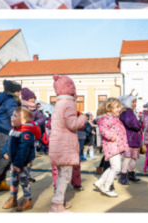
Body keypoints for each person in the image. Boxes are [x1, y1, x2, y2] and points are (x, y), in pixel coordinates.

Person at [47, 74, 86, 213]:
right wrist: (82, 117)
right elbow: (72, 124)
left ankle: (60, 199)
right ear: (70, 88)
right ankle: (57, 204)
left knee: (62, 174)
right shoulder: (69, 104)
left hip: (58, 144)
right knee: (66, 175)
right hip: (66, 145)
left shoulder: (58, 104)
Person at [3, 107, 41, 211]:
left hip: (23, 162)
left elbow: (23, 150)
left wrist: (18, 164)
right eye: (12, 115)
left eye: (15, 116)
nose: (11, 117)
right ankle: (13, 198)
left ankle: (27, 200)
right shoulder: (14, 129)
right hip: (15, 161)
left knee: (24, 180)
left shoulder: (26, 133)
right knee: (13, 180)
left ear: (23, 120)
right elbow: (8, 142)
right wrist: (5, 151)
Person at [92, 98, 128, 198]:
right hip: (112, 145)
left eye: (119, 107)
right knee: (116, 168)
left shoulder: (113, 117)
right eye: (117, 107)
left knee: (114, 167)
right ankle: (106, 187)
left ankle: (101, 182)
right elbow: (103, 129)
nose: (119, 109)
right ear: (109, 107)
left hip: (116, 145)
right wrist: (110, 137)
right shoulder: (107, 118)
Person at [117, 94, 143, 185]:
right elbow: (129, 122)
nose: (134, 104)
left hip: (134, 138)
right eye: (133, 102)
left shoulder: (131, 112)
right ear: (128, 102)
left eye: (135, 102)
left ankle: (131, 173)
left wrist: (138, 128)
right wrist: (138, 127)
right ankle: (123, 175)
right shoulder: (127, 111)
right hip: (130, 137)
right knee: (128, 157)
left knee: (134, 157)